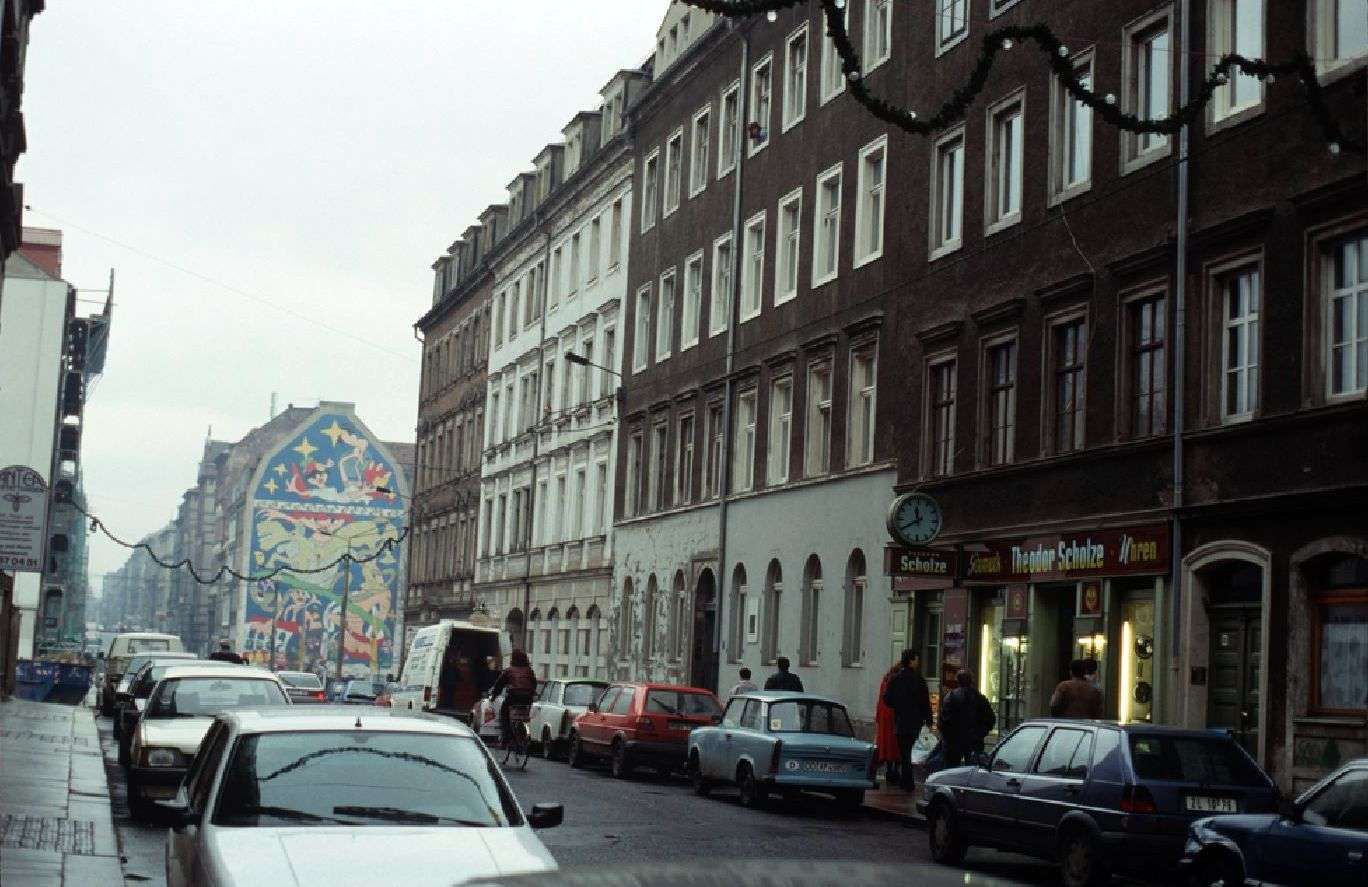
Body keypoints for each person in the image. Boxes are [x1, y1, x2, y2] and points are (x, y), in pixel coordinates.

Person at [882, 650, 933, 791]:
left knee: (904, 752)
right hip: (915, 721)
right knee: (909, 750)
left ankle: (906, 780)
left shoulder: (895, 679)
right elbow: (925, 702)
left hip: (900, 720)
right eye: (916, 659)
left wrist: (898, 705)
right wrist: (928, 719)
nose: (918, 662)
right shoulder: (919, 679)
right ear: (911, 661)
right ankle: (907, 781)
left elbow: (887, 699)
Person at [937, 669, 996, 768]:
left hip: (954, 742)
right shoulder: (979, 698)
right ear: (971, 681)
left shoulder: (950, 697)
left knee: (951, 771)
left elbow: (943, 721)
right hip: (974, 742)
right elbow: (990, 719)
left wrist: (947, 737)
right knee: (973, 771)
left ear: (958, 681)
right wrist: (980, 734)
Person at [489, 649, 538, 747]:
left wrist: (494, 696)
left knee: (504, 712)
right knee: (523, 715)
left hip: (514, 696)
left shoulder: (509, 670)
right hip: (527, 698)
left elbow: (499, 685)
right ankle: (522, 731)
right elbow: (534, 684)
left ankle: (506, 736)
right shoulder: (529, 671)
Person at [874, 660, 903, 786]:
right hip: (894, 714)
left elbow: (880, 699)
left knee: (887, 744)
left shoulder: (885, 680)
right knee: (896, 744)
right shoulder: (898, 682)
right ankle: (895, 771)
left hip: (884, 715)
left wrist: (878, 716)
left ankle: (889, 769)